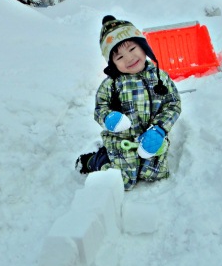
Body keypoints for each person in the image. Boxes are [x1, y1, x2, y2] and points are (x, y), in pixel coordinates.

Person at [75, 15, 181, 191]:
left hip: (151, 136)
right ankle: (97, 160)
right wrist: (109, 117)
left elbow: (173, 103)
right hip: (121, 140)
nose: (129, 58)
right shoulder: (111, 84)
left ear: (143, 46)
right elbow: (100, 108)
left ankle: (144, 152)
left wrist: (159, 128)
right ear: (112, 63)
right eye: (119, 57)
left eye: (132, 48)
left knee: (155, 173)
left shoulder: (159, 77)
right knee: (123, 182)